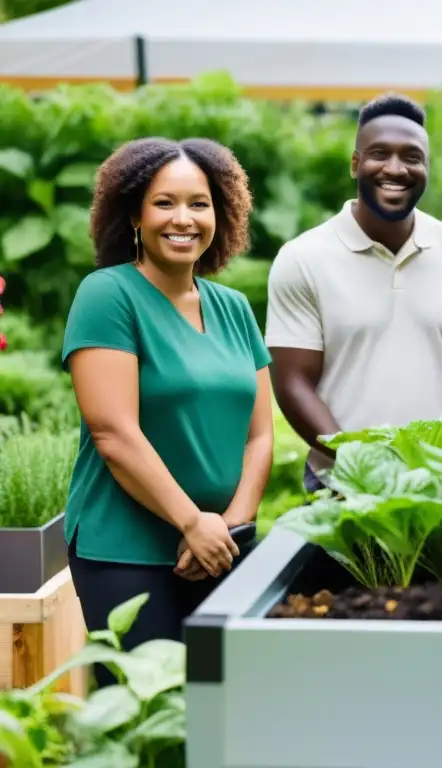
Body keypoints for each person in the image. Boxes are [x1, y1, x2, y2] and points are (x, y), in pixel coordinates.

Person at [62, 138, 272, 677]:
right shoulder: (108, 295)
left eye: (199, 204)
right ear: (133, 212)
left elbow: (259, 437)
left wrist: (228, 527)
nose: (184, 219)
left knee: (221, 716)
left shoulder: (233, 308)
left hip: (222, 550)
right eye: (164, 203)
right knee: (144, 719)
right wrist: (190, 523)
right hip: (125, 551)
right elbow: (113, 434)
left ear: (220, 214)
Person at [265, 93, 442, 492]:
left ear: (426, 166)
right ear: (356, 163)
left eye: (412, 156)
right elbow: (292, 384)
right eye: (379, 154)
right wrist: (362, 467)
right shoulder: (302, 258)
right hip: (340, 484)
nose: (395, 168)